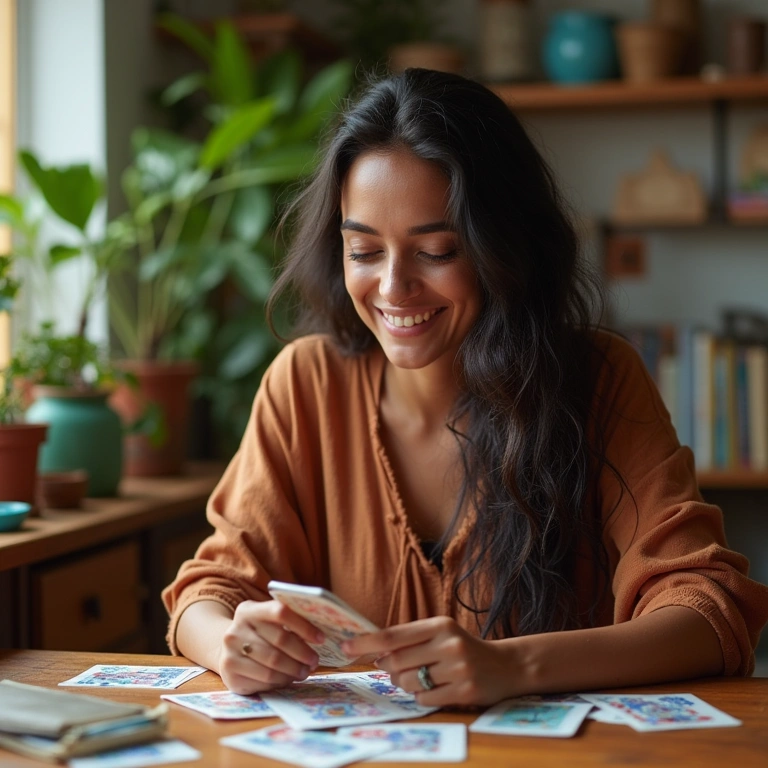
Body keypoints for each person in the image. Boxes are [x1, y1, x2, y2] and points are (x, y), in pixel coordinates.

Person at [163, 68, 768, 706]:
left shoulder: (599, 378)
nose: (393, 288)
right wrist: (230, 643)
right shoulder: (304, 384)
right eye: (364, 251)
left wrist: (515, 667)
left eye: (438, 250)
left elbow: (708, 611)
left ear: (504, 248)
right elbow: (209, 591)